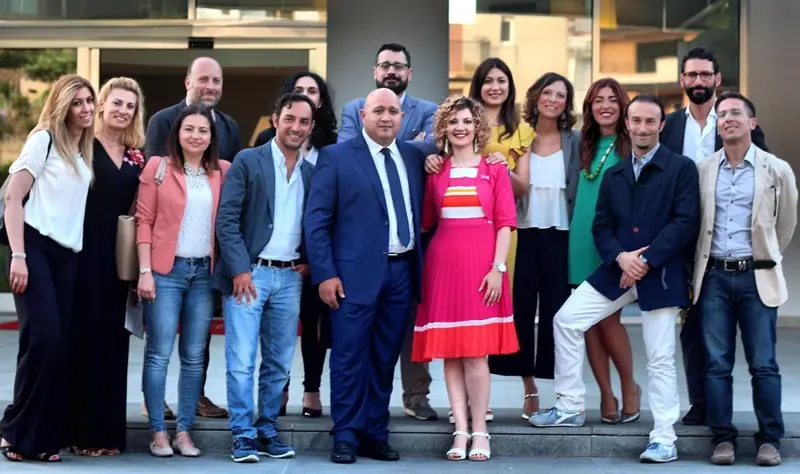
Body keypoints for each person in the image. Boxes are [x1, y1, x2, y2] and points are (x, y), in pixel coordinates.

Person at [531, 94, 700, 465]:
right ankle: (570, 406)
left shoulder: (682, 168)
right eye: (636, 120)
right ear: (627, 124)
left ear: (661, 125)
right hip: (619, 269)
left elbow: (685, 223)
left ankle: (664, 438)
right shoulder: (615, 174)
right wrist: (621, 257)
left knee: (660, 356)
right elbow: (601, 226)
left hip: (661, 273)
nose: (642, 128)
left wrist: (646, 259)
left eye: (650, 121)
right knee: (566, 320)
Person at [305, 88, 426, 464]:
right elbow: (316, 220)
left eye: (393, 111)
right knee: (348, 356)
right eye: (378, 110)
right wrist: (325, 273)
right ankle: (345, 435)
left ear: (402, 117)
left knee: (384, 357)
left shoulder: (414, 156)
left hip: (402, 272)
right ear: (363, 116)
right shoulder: (336, 157)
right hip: (352, 276)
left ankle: (375, 433)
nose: (386, 117)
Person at [660, 47, 768, 426]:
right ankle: (701, 403)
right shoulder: (670, 126)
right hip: (683, 240)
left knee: (731, 334)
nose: (698, 81)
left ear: (717, 79)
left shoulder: (735, 119)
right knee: (691, 326)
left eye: (705, 74)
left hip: (726, 238)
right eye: (692, 75)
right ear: (682, 80)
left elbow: (764, 176)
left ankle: (728, 409)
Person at [411, 95, 519, 462]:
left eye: (467, 121)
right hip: (443, 267)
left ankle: (480, 431)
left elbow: (505, 223)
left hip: (483, 268)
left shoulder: (495, 168)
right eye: (453, 121)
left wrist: (497, 268)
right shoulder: (435, 171)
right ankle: (460, 430)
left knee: (475, 355)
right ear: (443, 128)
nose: (460, 127)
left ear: (477, 127)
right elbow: (427, 221)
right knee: (451, 354)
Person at [692, 92, 796, 467]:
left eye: (736, 113)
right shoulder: (704, 169)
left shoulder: (777, 169)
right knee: (717, 364)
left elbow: (786, 225)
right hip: (714, 279)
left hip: (757, 277)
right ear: (717, 126)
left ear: (752, 122)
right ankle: (723, 438)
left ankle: (770, 440)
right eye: (721, 115)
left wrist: (765, 257)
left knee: (763, 363)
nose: (728, 119)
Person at [338, 44, 438, 421]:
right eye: (385, 65)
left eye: (399, 65)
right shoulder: (353, 107)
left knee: (410, 324)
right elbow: (350, 151)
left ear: (409, 73)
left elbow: (433, 146)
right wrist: (408, 144)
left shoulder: (428, 109)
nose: (391, 71)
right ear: (374, 71)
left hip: (412, 241)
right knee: (363, 340)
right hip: (367, 243)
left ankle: (416, 394)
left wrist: (399, 145)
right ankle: (358, 413)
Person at [214, 93, 315, 463]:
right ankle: (242, 433)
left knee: (278, 362)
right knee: (241, 359)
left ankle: (267, 428)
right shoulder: (248, 160)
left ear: (311, 127)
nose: (296, 127)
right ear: (275, 120)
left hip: (290, 278)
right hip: (250, 275)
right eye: (290, 118)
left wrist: (309, 261)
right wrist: (240, 268)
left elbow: (317, 224)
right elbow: (227, 219)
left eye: (303, 121)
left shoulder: (311, 173)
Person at [0, 74, 95, 463]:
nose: (86, 108)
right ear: (62, 105)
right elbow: (12, 198)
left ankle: (41, 439)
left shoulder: (82, 147)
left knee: (56, 346)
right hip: (35, 248)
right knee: (43, 339)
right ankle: (14, 431)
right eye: (77, 102)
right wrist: (19, 255)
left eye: (89, 100)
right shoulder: (45, 139)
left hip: (67, 255)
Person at [142, 56, 236, 420]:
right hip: (167, 256)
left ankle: (195, 397)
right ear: (188, 82)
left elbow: (229, 191)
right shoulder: (162, 121)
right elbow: (153, 188)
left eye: (216, 80)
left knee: (197, 344)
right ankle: (155, 404)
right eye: (203, 79)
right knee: (160, 343)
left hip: (204, 259)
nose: (210, 86)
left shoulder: (228, 127)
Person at [487, 72, 580, 420]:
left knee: (559, 314)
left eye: (560, 95)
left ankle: (563, 394)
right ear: (536, 97)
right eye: (547, 93)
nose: (553, 100)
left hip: (561, 236)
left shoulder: (574, 141)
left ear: (566, 103)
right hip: (522, 235)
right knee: (521, 312)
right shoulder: (519, 133)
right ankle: (529, 389)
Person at [65, 77, 146, 457]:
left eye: (130, 106)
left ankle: (108, 434)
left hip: (120, 259)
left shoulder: (136, 156)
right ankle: (81, 434)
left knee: (114, 344)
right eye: (117, 103)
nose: (123, 111)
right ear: (101, 105)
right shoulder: (80, 146)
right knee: (83, 343)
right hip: (82, 255)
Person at [254, 72, 337, 418]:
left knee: (314, 326)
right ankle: (281, 387)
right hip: (278, 254)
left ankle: (312, 389)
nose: (306, 94)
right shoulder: (266, 139)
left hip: (313, 253)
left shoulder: (331, 145)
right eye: (298, 90)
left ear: (321, 101)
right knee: (277, 330)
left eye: (312, 91)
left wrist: (316, 258)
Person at [566, 78, 640, 424]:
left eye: (612, 99)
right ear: (589, 107)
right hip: (579, 242)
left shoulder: (630, 146)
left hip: (613, 247)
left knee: (609, 321)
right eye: (598, 100)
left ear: (622, 106)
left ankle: (629, 387)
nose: (605, 106)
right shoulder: (581, 144)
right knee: (587, 325)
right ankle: (606, 395)